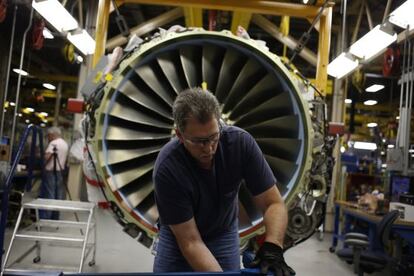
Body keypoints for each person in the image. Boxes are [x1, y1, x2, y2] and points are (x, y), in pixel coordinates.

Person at [153, 87, 295, 275]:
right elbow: (191, 242)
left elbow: (273, 203)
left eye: (213, 137)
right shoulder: (168, 168)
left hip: (223, 233)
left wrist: (273, 246)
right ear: (180, 135)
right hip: (179, 240)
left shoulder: (240, 144)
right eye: (199, 141)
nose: (209, 148)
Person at [39, 126, 68, 219]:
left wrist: (41, 162)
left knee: (49, 195)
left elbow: (48, 157)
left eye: (48, 136)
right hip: (60, 172)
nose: (48, 138)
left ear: (52, 135)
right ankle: (55, 217)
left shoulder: (53, 143)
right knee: (58, 195)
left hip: (50, 172)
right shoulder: (65, 144)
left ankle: (46, 218)